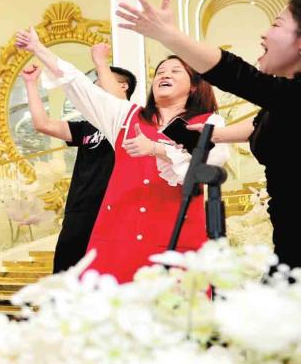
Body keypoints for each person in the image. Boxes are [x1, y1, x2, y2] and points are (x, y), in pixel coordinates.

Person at [16, 25, 228, 282]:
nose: (164, 74)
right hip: (119, 237)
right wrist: (38, 48)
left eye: (175, 71)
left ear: (194, 86)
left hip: (177, 235)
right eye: (160, 71)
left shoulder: (208, 122)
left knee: (173, 303)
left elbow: (213, 161)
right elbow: (77, 83)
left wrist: (157, 149)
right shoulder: (126, 117)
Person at [116, 0, 301, 269]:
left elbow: (237, 75)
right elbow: (261, 123)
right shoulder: (284, 103)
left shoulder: (292, 96)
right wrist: (213, 134)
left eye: (276, 24)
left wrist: (169, 35)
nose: (264, 34)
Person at [21, 43, 138, 272]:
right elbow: (42, 124)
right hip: (80, 208)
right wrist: (30, 84)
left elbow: (116, 103)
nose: (94, 88)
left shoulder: (133, 120)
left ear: (123, 86)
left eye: (100, 81)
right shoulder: (86, 127)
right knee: (66, 274)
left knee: (106, 274)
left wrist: (100, 62)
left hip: (114, 209)